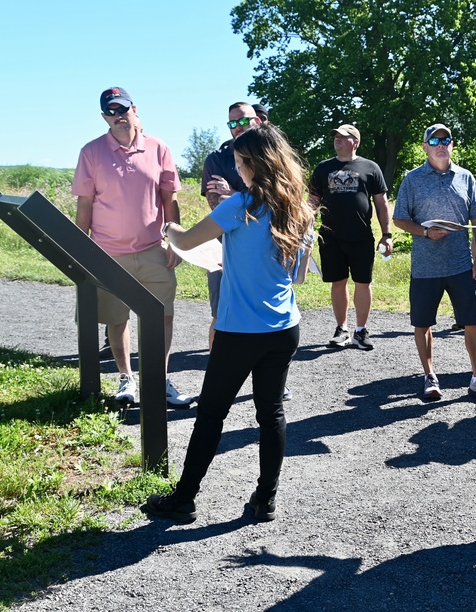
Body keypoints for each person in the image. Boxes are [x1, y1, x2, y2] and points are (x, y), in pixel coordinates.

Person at [146, 123, 315, 523]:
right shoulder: (301, 210)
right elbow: (299, 278)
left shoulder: (239, 205)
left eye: (239, 163)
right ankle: (265, 499)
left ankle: (184, 499)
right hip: (284, 327)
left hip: (239, 329)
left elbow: (186, 242)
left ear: (253, 164)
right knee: (271, 413)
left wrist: (166, 227)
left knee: (211, 414)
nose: (237, 170)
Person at [72, 86, 194, 409]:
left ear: (134, 108)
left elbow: (170, 200)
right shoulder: (91, 152)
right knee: (117, 318)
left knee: (163, 315)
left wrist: (175, 242)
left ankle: (160, 377)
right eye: (111, 112)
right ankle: (127, 378)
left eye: (122, 109)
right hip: (107, 254)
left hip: (153, 248)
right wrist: (79, 252)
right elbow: (84, 207)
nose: (118, 116)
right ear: (104, 117)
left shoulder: (159, 148)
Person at [392, 124, 476, 404]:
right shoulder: (412, 179)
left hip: (462, 264)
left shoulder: (466, 177)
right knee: (423, 323)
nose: (440, 144)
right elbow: (399, 219)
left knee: (472, 322)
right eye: (433, 140)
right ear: (424, 146)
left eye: (445, 140)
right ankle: (429, 376)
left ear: (451, 145)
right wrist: (425, 232)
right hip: (425, 267)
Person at [308, 124, 392, 351]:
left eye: (342, 137)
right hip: (330, 237)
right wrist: (305, 228)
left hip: (361, 236)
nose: (337, 140)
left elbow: (381, 204)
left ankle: (360, 330)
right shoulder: (323, 168)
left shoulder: (370, 167)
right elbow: (312, 202)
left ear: (355, 142)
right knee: (338, 282)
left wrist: (387, 235)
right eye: (335, 137)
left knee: (363, 283)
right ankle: (341, 329)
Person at [201, 102, 262, 349]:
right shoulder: (217, 159)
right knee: (221, 314)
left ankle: (271, 381)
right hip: (224, 249)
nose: (238, 127)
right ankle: (217, 375)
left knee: (263, 312)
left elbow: (277, 201)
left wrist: (233, 193)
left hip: (263, 248)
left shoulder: (272, 157)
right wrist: (250, 196)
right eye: (232, 123)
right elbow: (217, 207)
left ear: (257, 121)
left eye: (243, 121)